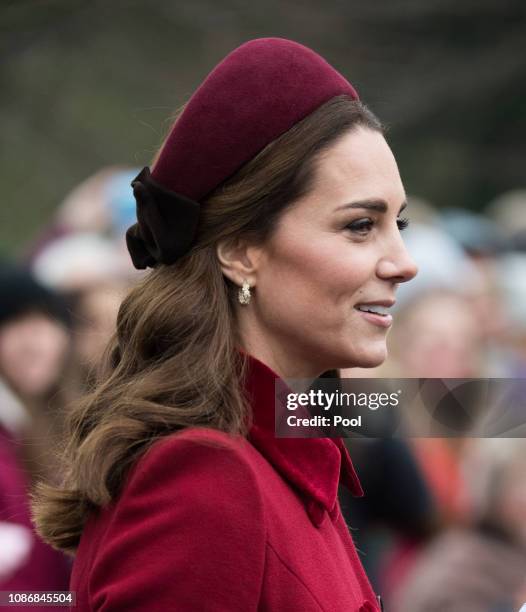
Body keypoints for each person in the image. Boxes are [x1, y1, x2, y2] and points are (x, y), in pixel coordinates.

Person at [32, 37, 417, 611]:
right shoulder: (207, 481)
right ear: (240, 249)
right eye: (360, 226)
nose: (403, 264)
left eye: (400, 225)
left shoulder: (286, 447)